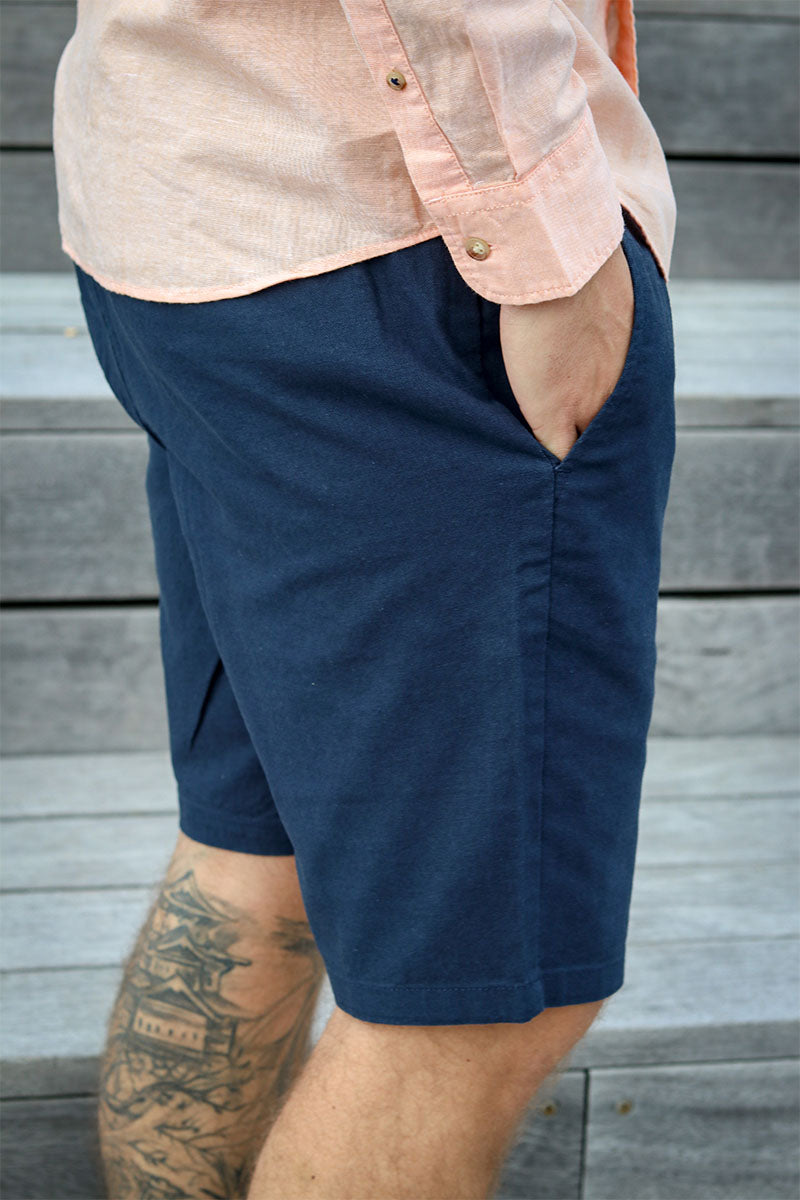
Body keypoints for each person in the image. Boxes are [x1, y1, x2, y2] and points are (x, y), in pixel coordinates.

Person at [52, 2, 677, 1197]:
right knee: (477, 1001)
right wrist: (542, 248)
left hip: (194, 212)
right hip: (405, 250)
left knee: (253, 857)